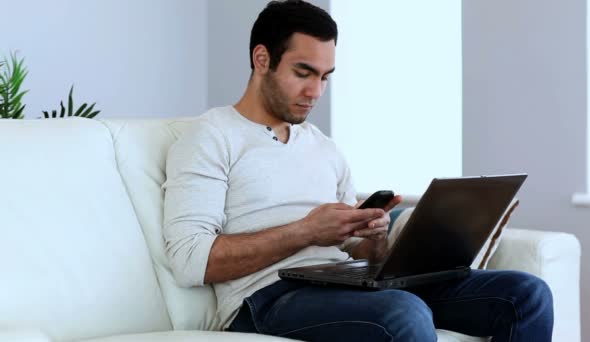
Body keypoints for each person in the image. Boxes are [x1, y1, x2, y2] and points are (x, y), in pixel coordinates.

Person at [162, 1, 554, 341]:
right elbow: (191, 260)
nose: (316, 91)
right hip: (267, 298)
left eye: (325, 77)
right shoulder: (211, 136)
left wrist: (375, 239)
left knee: (526, 294)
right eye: (303, 73)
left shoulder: (324, 147)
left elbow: (356, 250)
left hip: (344, 281)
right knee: (403, 313)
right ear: (262, 59)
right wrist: (306, 231)